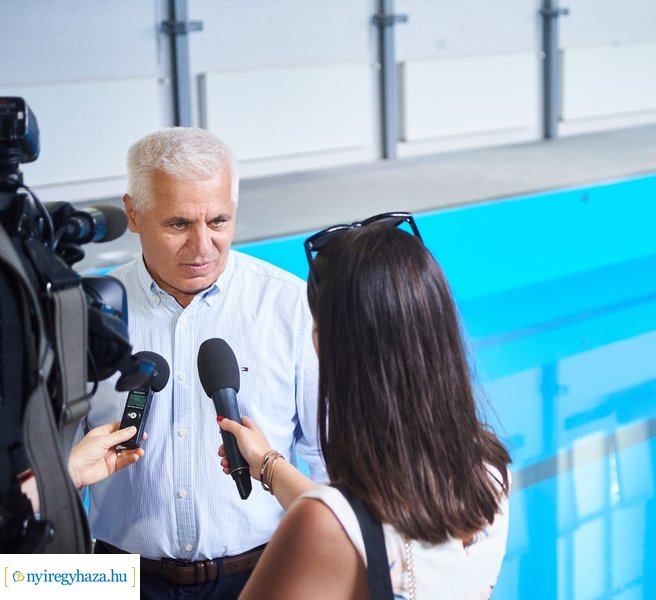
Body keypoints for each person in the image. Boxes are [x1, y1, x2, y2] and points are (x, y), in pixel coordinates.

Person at [81, 127, 325, 598]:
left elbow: (330, 460)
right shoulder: (88, 315)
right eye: (178, 224)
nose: (202, 247)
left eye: (218, 221)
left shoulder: (292, 307)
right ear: (133, 214)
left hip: (265, 573)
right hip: (117, 579)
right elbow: (55, 482)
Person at [217, 213, 512, 598]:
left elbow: (338, 526)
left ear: (324, 344)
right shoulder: (489, 472)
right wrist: (268, 463)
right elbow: (359, 527)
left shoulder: (321, 524)